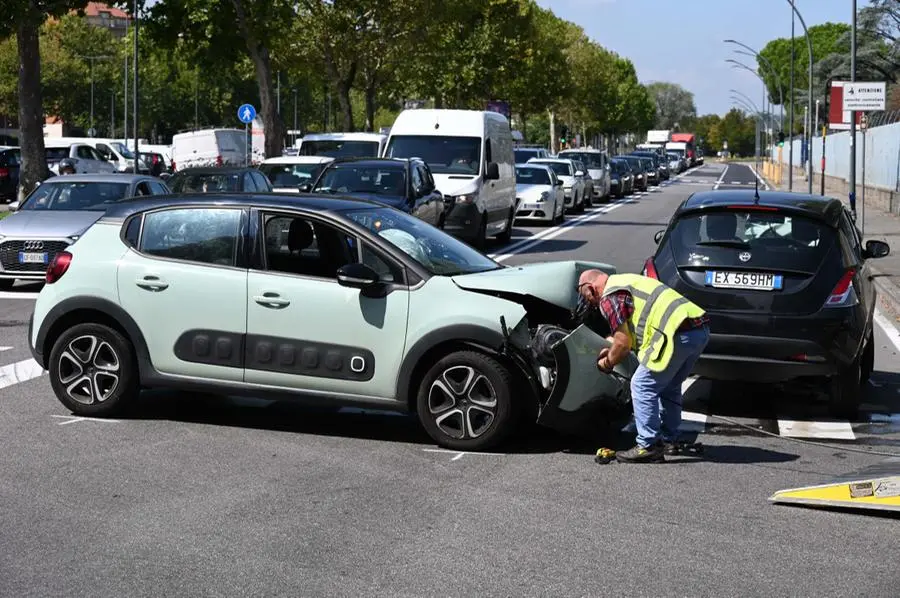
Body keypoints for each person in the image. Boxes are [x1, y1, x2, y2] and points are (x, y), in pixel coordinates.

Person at [577, 269, 710, 463]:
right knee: (669, 386)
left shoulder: (608, 297)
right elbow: (627, 334)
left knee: (641, 385)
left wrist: (608, 362)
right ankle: (669, 438)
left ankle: (648, 445)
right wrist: (612, 345)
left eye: (586, 296)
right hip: (698, 330)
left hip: (676, 333)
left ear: (590, 288)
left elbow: (623, 345)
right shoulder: (625, 281)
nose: (589, 302)